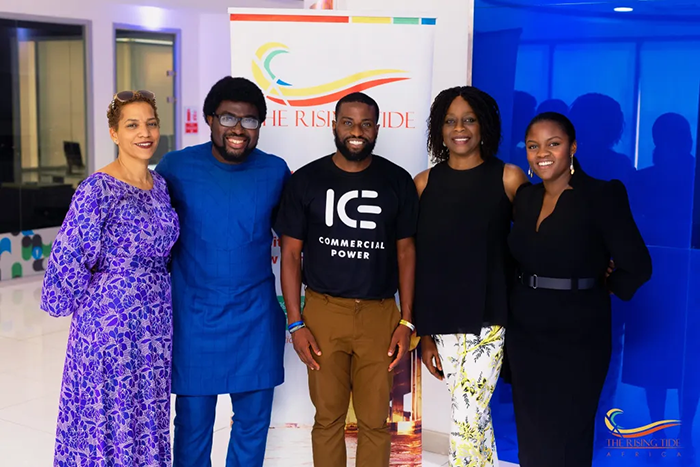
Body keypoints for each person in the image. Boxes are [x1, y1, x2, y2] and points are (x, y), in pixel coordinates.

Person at [275, 92, 418, 467]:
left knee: (375, 422)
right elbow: (289, 255)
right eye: (348, 123)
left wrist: (406, 321)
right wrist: (296, 322)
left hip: (380, 315)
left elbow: (406, 252)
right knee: (327, 419)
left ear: (377, 129)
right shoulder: (307, 180)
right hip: (324, 313)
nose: (357, 131)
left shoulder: (397, 180)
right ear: (334, 126)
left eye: (366, 124)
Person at [155, 77, 290, 467]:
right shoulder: (176, 167)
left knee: (252, 426)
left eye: (250, 121)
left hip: (256, 320)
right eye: (229, 117)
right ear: (210, 119)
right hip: (194, 319)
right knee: (192, 428)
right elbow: (149, 231)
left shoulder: (275, 171)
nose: (238, 129)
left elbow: (296, 241)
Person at [40, 90, 180, 466]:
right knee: (111, 410)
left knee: (145, 410)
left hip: (154, 321)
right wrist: (67, 303)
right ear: (114, 133)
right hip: (110, 323)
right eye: (132, 125)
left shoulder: (160, 185)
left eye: (151, 123)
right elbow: (68, 254)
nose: (144, 133)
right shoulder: (97, 189)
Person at [507, 112, 652, 467]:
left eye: (553, 144)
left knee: (567, 439)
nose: (542, 153)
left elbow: (638, 265)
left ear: (572, 147)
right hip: (525, 331)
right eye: (533, 146)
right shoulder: (525, 198)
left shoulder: (602, 194)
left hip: (578, 335)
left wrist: (602, 286)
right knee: (531, 436)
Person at [413, 86, 528, 467]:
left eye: (468, 120)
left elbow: (539, 240)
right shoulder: (423, 184)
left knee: (466, 412)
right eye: (450, 121)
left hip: (490, 316)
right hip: (442, 318)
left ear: (484, 126)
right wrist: (424, 334)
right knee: (472, 413)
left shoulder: (509, 178)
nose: (459, 129)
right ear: (439, 129)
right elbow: (420, 262)